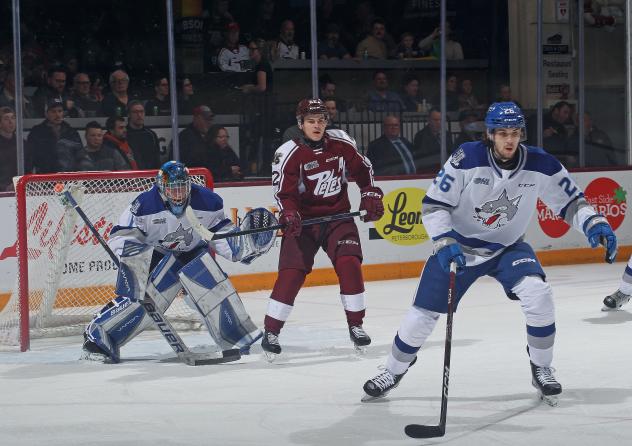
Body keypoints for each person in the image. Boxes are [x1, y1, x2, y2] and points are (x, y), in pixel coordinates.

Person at [362, 102, 617, 405]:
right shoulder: (467, 158)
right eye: (503, 133)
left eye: (515, 133)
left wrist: (594, 223)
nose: (510, 140)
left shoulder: (541, 163)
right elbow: (434, 204)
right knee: (422, 316)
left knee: (539, 294)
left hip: (508, 247)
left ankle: (541, 367)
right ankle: (393, 370)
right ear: (490, 134)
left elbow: (571, 201)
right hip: (459, 247)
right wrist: (443, 241)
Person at [81, 161, 264, 363]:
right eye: (172, 189)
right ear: (161, 187)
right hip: (155, 255)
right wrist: (135, 258)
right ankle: (98, 336)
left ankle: (240, 337)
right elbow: (120, 236)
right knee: (146, 299)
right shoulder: (144, 205)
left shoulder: (208, 201)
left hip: (192, 251)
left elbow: (218, 235)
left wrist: (244, 247)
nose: (178, 194)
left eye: (181, 188)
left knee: (216, 288)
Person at [261, 98, 384, 359]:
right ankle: (271, 330)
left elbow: (363, 170)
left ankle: (356, 325)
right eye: (310, 121)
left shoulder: (340, 142)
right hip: (303, 224)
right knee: (291, 274)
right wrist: (289, 212)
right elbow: (283, 192)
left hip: (338, 217)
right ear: (300, 123)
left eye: (320, 120)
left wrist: (370, 193)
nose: (316, 126)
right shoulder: (287, 153)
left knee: (349, 262)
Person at [26, 98, 83, 173]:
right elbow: (29, 158)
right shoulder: (36, 132)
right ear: (46, 113)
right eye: (53, 111)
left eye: (60, 111)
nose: (58, 115)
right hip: (44, 179)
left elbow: (80, 157)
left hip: (68, 179)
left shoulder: (72, 132)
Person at [412, 108, 452, 172]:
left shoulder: (447, 134)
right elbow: (424, 159)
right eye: (435, 120)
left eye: (441, 120)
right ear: (429, 120)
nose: (439, 123)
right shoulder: (421, 136)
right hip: (430, 173)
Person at [126, 100, 162, 169]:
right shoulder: (124, 134)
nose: (139, 115)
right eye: (135, 112)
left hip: (150, 175)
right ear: (128, 114)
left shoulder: (151, 134)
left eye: (141, 112)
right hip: (131, 175)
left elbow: (156, 158)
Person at [0, 107, 19, 190]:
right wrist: (4, 187)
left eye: (13, 118)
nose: (11, 122)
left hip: (21, 187)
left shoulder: (23, 144)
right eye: (6, 119)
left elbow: (28, 169)